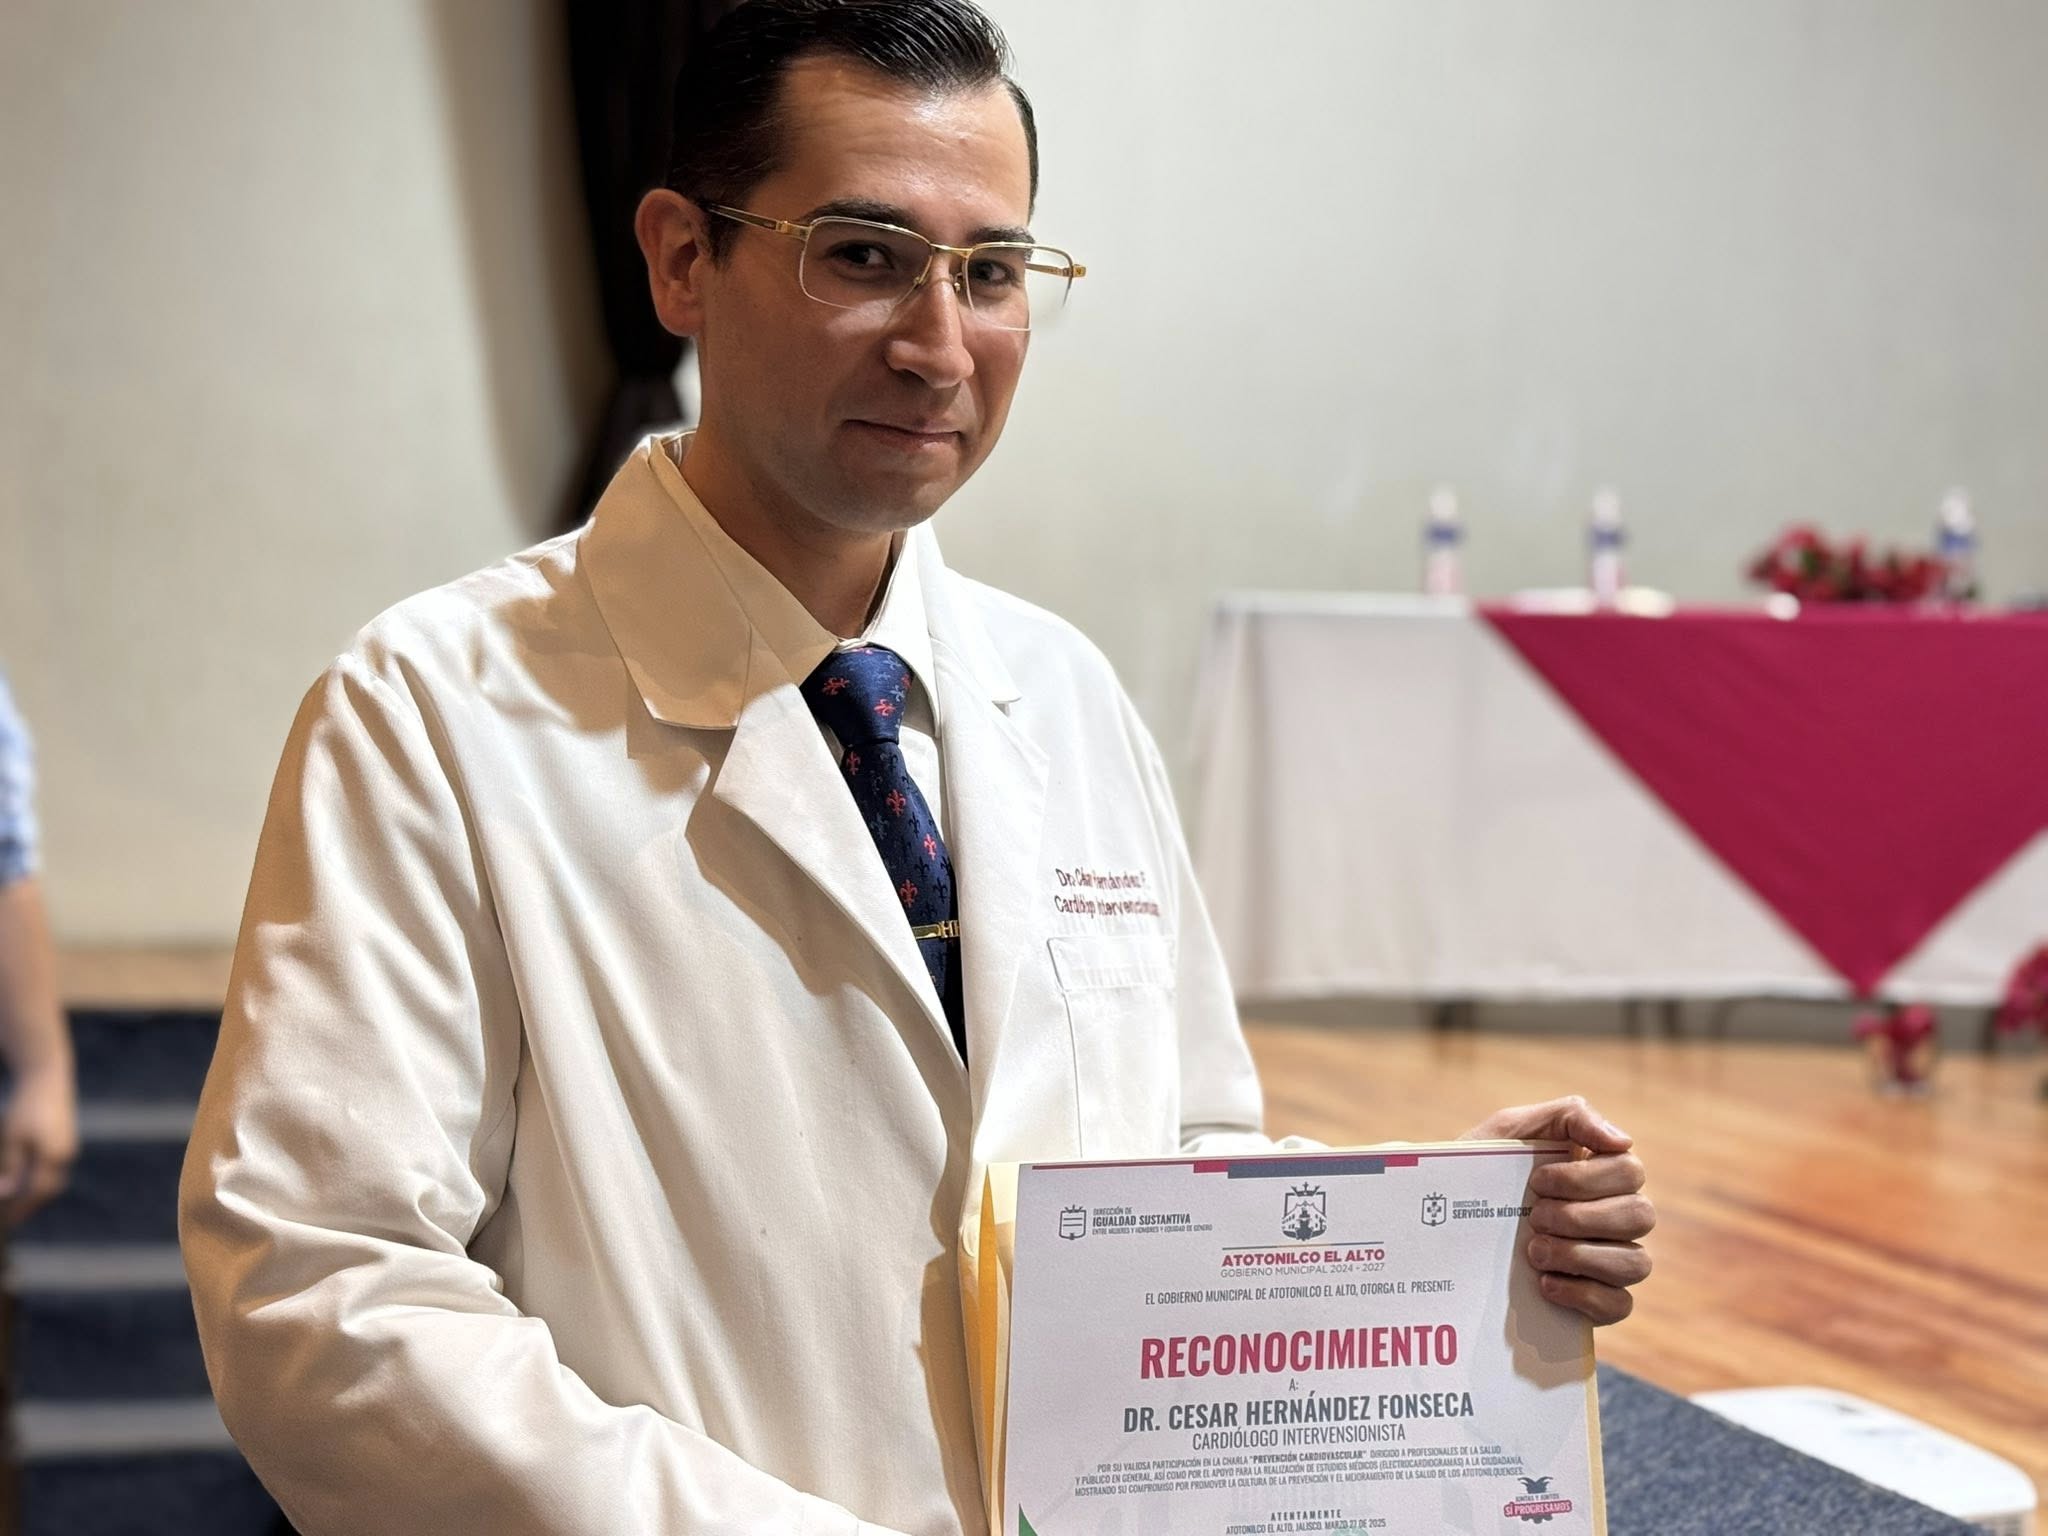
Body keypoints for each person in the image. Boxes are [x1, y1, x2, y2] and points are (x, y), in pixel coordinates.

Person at [179, 4, 1653, 1533]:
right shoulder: (435, 714)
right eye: (864, 255)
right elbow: (325, 1290)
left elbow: (1169, 1164)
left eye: (992, 273)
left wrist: (1426, 1228)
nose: (941, 346)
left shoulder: (1063, 698)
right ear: (681, 259)